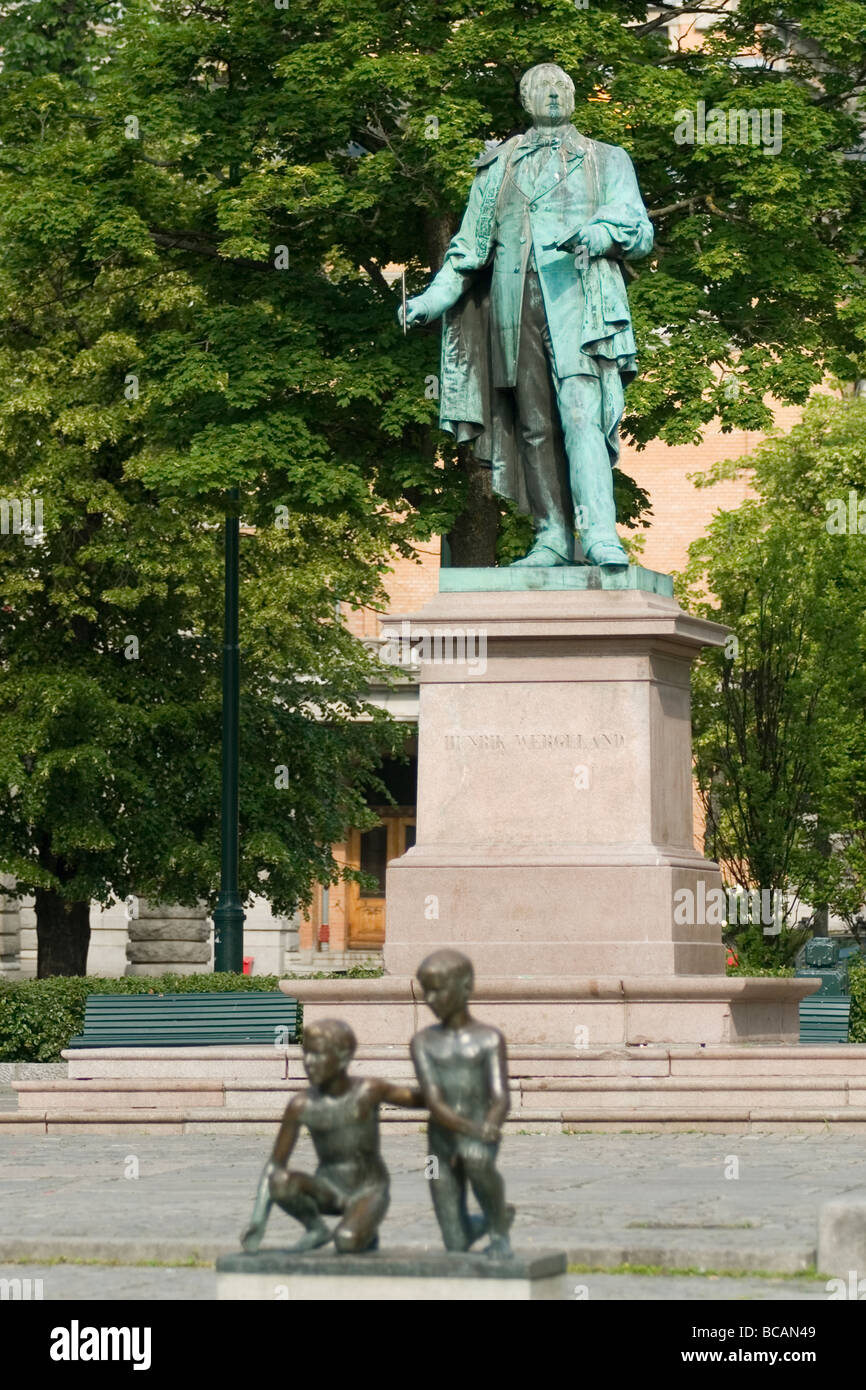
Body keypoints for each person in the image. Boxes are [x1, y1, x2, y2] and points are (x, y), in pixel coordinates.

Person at [400, 63, 653, 569]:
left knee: (582, 416)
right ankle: (552, 537)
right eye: (543, 87)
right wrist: (427, 301)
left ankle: (600, 534)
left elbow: (640, 232)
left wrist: (602, 235)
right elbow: (468, 249)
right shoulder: (497, 167)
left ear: (576, 97)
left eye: (562, 86)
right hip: (514, 311)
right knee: (535, 427)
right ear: (525, 100)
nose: (553, 93)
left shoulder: (607, 159)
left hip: (580, 308)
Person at [241, 1017, 421, 1254]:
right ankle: (316, 1229)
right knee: (280, 1182)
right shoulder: (301, 1105)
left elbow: (416, 1098)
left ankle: (361, 1226)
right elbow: (275, 1165)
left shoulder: (368, 1091)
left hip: (368, 1189)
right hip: (328, 1189)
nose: (309, 1062)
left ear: (344, 1056)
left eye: (318, 1054)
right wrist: (258, 1221)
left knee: (346, 1240)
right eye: (306, 1054)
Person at [411, 949, 514, 1257]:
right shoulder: (423, 1042)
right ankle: (497, 1215)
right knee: (456, 1243)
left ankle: (498, 1232)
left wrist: (489, 1128)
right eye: (425, 990)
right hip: (442, 1141)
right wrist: (471, 1130)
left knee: (476, 1159)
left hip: (480, 1134)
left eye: (438, 989)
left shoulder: (488, 1039)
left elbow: (500, 1097)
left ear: (466, 986)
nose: (430, 998)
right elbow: (434, 1101)